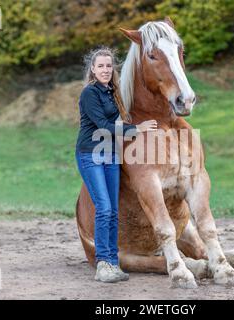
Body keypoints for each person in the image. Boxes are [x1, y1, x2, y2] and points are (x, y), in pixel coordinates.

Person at [75, 47, 157, 283]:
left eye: (109, 66)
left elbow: (118, 119)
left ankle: (113, 262)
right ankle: (103, 264)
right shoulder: (89, 93)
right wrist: (137, 130)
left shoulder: (112, 92)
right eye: (100, 66)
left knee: (113, 211)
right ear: (93, 69)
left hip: (110, 154)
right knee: (104, 209)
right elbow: (102, 125)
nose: (105, 70)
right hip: (90, 154)